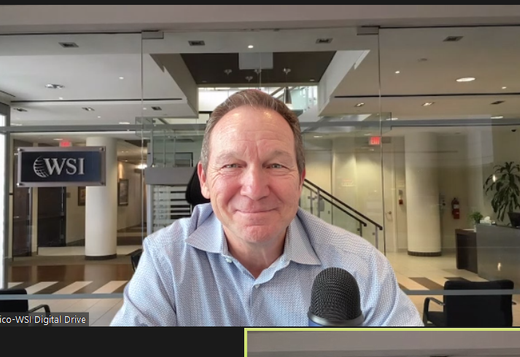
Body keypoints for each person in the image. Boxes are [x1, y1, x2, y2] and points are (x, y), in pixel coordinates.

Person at [112, 89, 421, 326]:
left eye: (275, 165)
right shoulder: (166, 259)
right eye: (232, 165)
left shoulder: (361, 265)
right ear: (205, 180)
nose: (255, 189)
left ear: (300, 180)